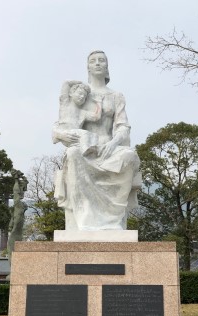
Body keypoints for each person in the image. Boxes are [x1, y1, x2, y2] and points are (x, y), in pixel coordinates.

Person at [51, 51, 142, 230]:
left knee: (129, 156)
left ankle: (112, 222)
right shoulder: (78, 93)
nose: (98, 63)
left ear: (107, 66)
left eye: (102, 60)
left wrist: (114, 143)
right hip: (84, 149)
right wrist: (61, 134)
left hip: (109, 147)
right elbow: (61, 122)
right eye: (93, 61)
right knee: (73, 153)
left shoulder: (116, 96)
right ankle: (85, 219)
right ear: (88, 67)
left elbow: (123, 126)